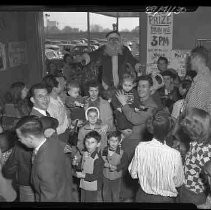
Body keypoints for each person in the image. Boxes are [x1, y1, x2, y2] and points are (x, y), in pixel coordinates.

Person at [128, 109, 184, 203]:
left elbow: (133, 174)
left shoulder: (140, 147)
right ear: (169, 131)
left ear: (151, 128)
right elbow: (178, 182)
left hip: (142, 196)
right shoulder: (174, 154)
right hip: (165, 200)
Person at [15, 116, 72, 202]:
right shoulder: (54, 142)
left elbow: (50, 197)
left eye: (20, 138)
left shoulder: (44, 164)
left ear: (30, 138)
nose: (20, 141)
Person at [115, 75, 158, 160]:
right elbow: (118, 117)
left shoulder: (151, 106)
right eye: (138, 86)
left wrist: (124, 103)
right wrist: (121, 129)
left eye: (144, 86)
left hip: (137, 144)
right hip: (125, 140)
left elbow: (135, 119)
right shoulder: (134, 98)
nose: (140, 89)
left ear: (150, 88)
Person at [179, 107, 211, 205]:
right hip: (186, 186)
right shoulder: (197, 141)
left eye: (186, 130)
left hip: (193, 194)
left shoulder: (205, 152)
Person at [75, 130, 104, 202]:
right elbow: (82, 168)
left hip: (92, 187)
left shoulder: (98, 159)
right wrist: (76, 164)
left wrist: (82, 175)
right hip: (84, 185)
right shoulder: (85, 154)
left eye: (92, 142)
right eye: (87, 142)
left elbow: (95, 176)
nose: (89, 144)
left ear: (98, 144)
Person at [42, 74, 71, 143]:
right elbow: (54, 128)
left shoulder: (57, 98)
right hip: (59, 137)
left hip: (65, 133)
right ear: (54, 88)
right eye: (60, 83)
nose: (63, 84)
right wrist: (67, 124)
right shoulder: (50, 106)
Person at [101, 131, 128, 202]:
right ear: (108, 141)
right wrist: (104, 163)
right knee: (105, 192)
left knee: (115, 194)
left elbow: (124, 163)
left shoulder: (122, 152)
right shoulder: (105, 150)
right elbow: (102, 159)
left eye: (116, 141)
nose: (113, 143)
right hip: (106, 176)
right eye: (111, 140)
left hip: (116, 177)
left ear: (119, 142)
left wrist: (117, 167)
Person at [184, 46, 211, 116]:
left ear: (197, 59)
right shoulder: (202, 77)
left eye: (191, 58)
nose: (190, 61)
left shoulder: (202, 81)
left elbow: (193, 111)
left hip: (198, 125)